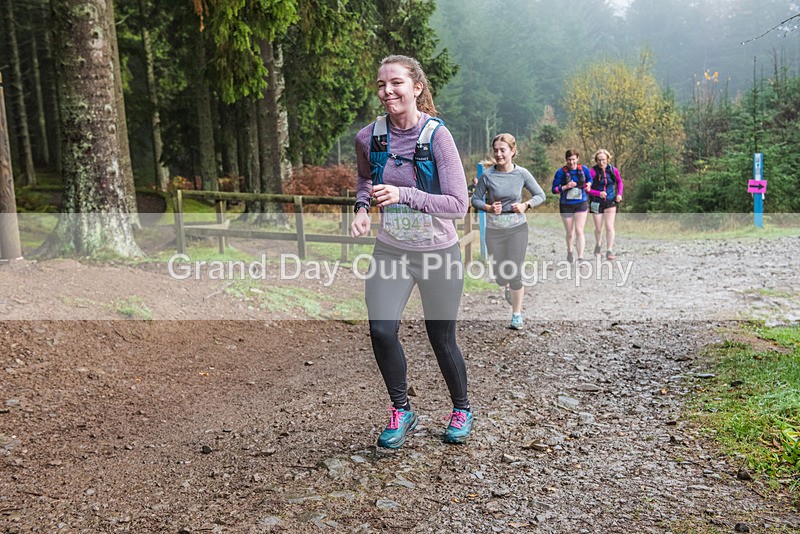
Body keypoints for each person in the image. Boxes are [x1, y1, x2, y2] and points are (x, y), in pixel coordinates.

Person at [351, 55, 472, 449]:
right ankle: (402, 411)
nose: (388, 91)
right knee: (381, 329)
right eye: (382, 84)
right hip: (392, 251)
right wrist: (361, 209)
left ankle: (461, 408)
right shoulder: (368, 138)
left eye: (397, 83)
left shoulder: (438, 136)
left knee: (441, 337)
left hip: (438, 251)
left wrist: (405, 194)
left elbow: (458, 204)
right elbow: (365, 179)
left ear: (416, 87)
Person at [471, 133, 545, 330]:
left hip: (517, 229)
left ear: (512, 151)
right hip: (494, 230)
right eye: (496, 150)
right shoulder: (487, 175)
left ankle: (517, 314)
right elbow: (475, 199)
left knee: (514, 272)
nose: (498, 154)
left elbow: (540, 195)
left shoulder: (522, 173)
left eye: (502, 150)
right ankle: (506, 285)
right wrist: (488, 208)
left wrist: (525, 205)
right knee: (500, 275)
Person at [551, 149, 592, 262]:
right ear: (566, 160)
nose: (571, 162)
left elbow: (590, 179)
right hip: (566, 205)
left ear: (577, 159)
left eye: (573, 159)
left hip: (581, 202)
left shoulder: (583, 169)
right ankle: (570, 251)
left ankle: (580, 257)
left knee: (579, 230)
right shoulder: (560, 172)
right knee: (570, 232)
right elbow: (554, 189)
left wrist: (588, 185)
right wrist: (565, 186)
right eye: (569, 160)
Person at [588, 149, 623, 260]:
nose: (601, 162)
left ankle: (609, 250)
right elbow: (586, 188)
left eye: (603, 160)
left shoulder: (613, 170)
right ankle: (598, 246)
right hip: (596, 202)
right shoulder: (592, 172)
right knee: (599, 228)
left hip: (610, 201)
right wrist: (598, 193)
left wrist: (619, 194)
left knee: (609, 226)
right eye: (599, 160)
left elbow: (620, 182)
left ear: (608, 159)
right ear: (596, 161)